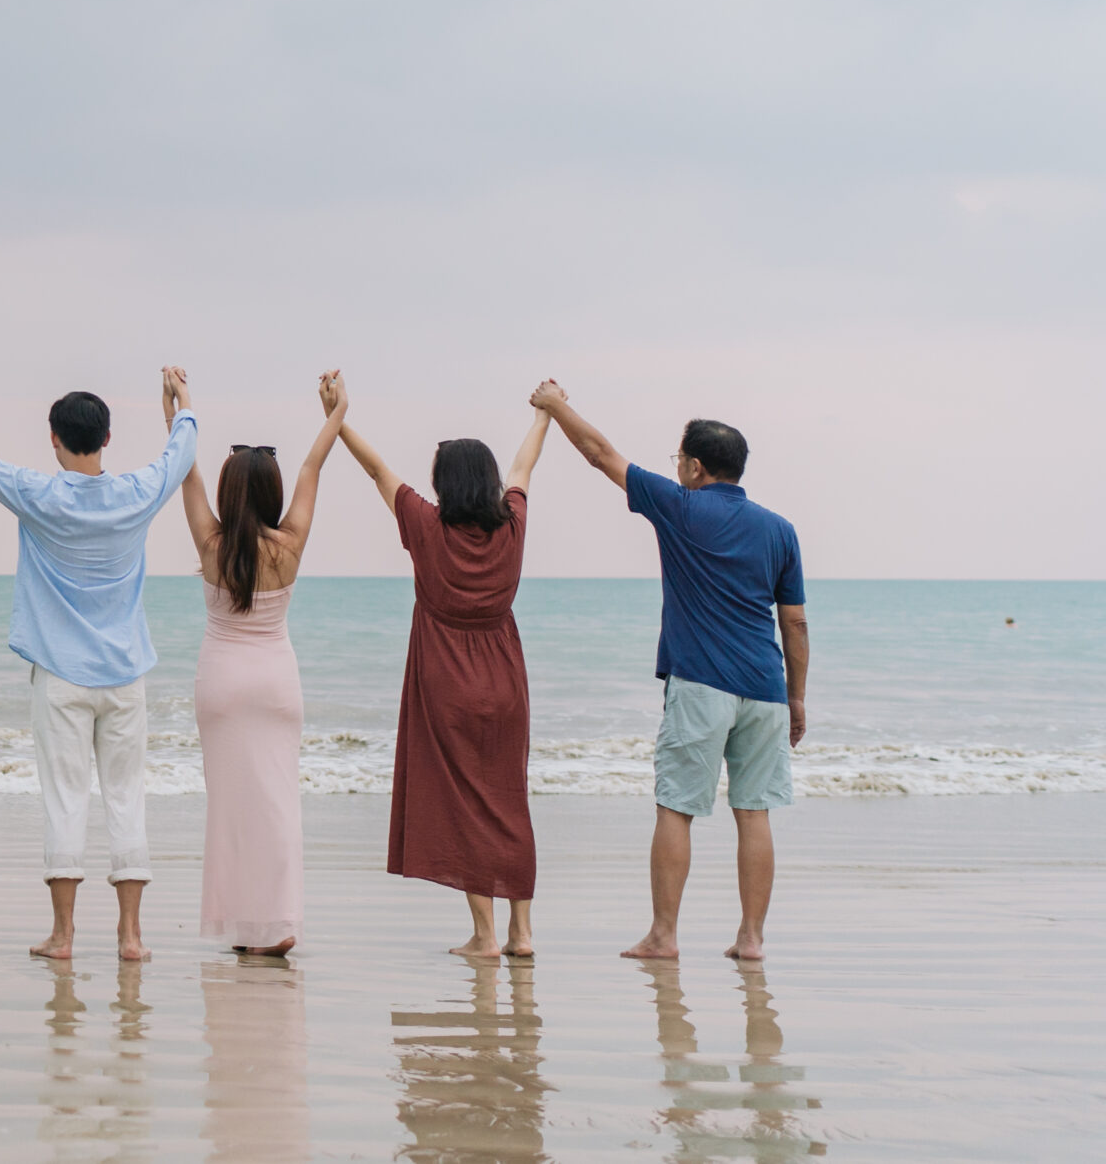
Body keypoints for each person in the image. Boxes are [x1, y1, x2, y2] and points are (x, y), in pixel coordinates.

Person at [531, 381, 809, 962]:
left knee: (677, 807)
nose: (676, 467)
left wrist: (554, 406)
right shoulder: (781, 530)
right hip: (766, 690)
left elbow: (601, 454)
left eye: (679, 458)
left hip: (702, 684)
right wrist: (797, 698)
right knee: (754, 812)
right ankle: (751, 939)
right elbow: (795, 623)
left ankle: (663, 936)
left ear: (696, 467)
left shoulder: (680, 506)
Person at [0, 364, 199, 963]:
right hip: (125, 675)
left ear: (53, 439)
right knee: (127, 798)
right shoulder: (137, 494)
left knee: (65, 799)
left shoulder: (38, 495)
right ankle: (130, 937)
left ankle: (64, 936)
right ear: (107, 439)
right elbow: (180, 452)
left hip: (59, 676)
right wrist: (180, 400)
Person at [338, 378, 551, 958]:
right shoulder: (512, 523)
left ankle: (485, 935)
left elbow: (377, 471)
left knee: (466, 803)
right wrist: (543, 418)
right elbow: (524, 467)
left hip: (447, 681)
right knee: (509, 798)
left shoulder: (427, 526)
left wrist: (338, 419)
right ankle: (522, 932)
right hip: (505, 680)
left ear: (444, 484)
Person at [180, 368, 345, 958]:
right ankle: (276, 925)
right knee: (276, 805)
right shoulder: (289, 545)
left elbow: (187, 470)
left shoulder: (211, 545)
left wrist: (178, 407)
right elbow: (312, 467)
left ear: (229, 494)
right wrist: (335, 411)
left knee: (229, 809)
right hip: (275, 682)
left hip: (221, 682)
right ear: (272, 494)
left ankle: (242, 929)